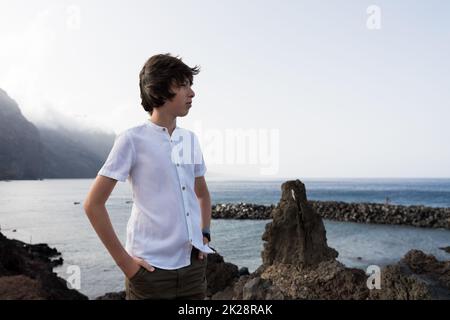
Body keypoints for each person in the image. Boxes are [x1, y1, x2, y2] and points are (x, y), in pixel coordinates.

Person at [83, 53, 214, 300]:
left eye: (191, 85)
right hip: (150, 275)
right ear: (161, 89)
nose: (192, 93)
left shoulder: (190, 140)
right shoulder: (132, 140)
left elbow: (202, 194)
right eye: (184, 84)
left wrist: (204, 233)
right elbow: (93, 205)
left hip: (194, 271)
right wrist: (127, 265)